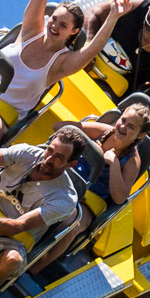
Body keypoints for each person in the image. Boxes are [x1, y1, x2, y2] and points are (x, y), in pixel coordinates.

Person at [0, 0, 132, 147]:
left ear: (74, 31)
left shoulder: (61, 63)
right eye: (54, 19)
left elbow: (92, 50)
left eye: (63, 26)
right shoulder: (31, 31)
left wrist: (113, 16)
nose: (54, 26)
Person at [39, 105, 149, 265]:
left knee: (71, 222)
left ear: (140, 135)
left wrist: (115, 165)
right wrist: (83, 143)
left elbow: (119, 198)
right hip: (67, 180)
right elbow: (59, 127)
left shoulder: (132, 161)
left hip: (88, 200)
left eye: (131, 126)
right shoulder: (102, 131)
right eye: (123, 120)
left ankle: (38, 264)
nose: (123, 126)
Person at [0, 127, 84, 285]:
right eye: (50, 150)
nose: (49, 159)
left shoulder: (65, 198)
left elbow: (18, 226)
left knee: (12, 260)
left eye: (58, 157)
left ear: (71, 164)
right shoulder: (27, 153)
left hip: (12, 237)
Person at [86, 0, 150, 99]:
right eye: (148, 26)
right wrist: (87, 48)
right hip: (80, 62)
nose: (147, 36)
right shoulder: (135, 6)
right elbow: (94, 13)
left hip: (110, 96)